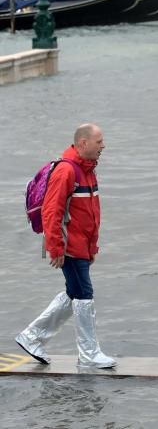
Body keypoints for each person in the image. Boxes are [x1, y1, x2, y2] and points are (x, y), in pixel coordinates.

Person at [15, 124, 117, 368]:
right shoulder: (67, 171)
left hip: (81, 245)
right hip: (68, 245)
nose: (103, 146)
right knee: (84, 294)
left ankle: (32, 337)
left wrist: (92, 248)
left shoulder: (89, 171)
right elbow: (52, 212)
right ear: (83, 143)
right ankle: (89, 354)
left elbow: (91, 215)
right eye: (99, 141)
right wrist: (56, 248)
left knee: (74, 293)